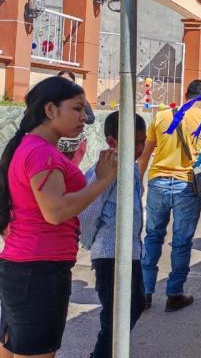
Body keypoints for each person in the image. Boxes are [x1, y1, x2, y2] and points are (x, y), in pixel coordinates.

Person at [0, 76, 117, 358]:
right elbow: (56, 212)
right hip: (39, 269)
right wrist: (102, 181)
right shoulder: (41, 153)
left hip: (26, 265)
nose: (84, 117)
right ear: (50, 110)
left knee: (13, 347)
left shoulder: (32, 147)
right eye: (76, 108)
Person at [137, 79, 201, 312]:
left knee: (152, 237)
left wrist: (138, 182)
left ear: (185, 96)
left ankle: (145, 293)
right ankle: (174, 294)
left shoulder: (161, 116)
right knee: (181, 241)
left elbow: (145, 155)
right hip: (188, 186)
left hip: (158, 183)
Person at [78, 111, 147, 358]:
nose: (139, 148)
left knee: (134, 304)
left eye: (142, 141)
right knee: (116, 314)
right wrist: (91, 244)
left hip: (130, 252)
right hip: (110, 254)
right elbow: (87, 212)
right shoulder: (107, 169)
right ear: (112, 141)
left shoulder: (132, 168)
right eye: (134, 142)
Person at [57, 70, 96, 166]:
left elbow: (91, 118)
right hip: (56, 142)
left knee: (70, 170)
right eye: (62, 81)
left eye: (69, 81)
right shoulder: (50, 98)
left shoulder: (80, 99)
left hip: (75, 144)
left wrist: (79, 117)